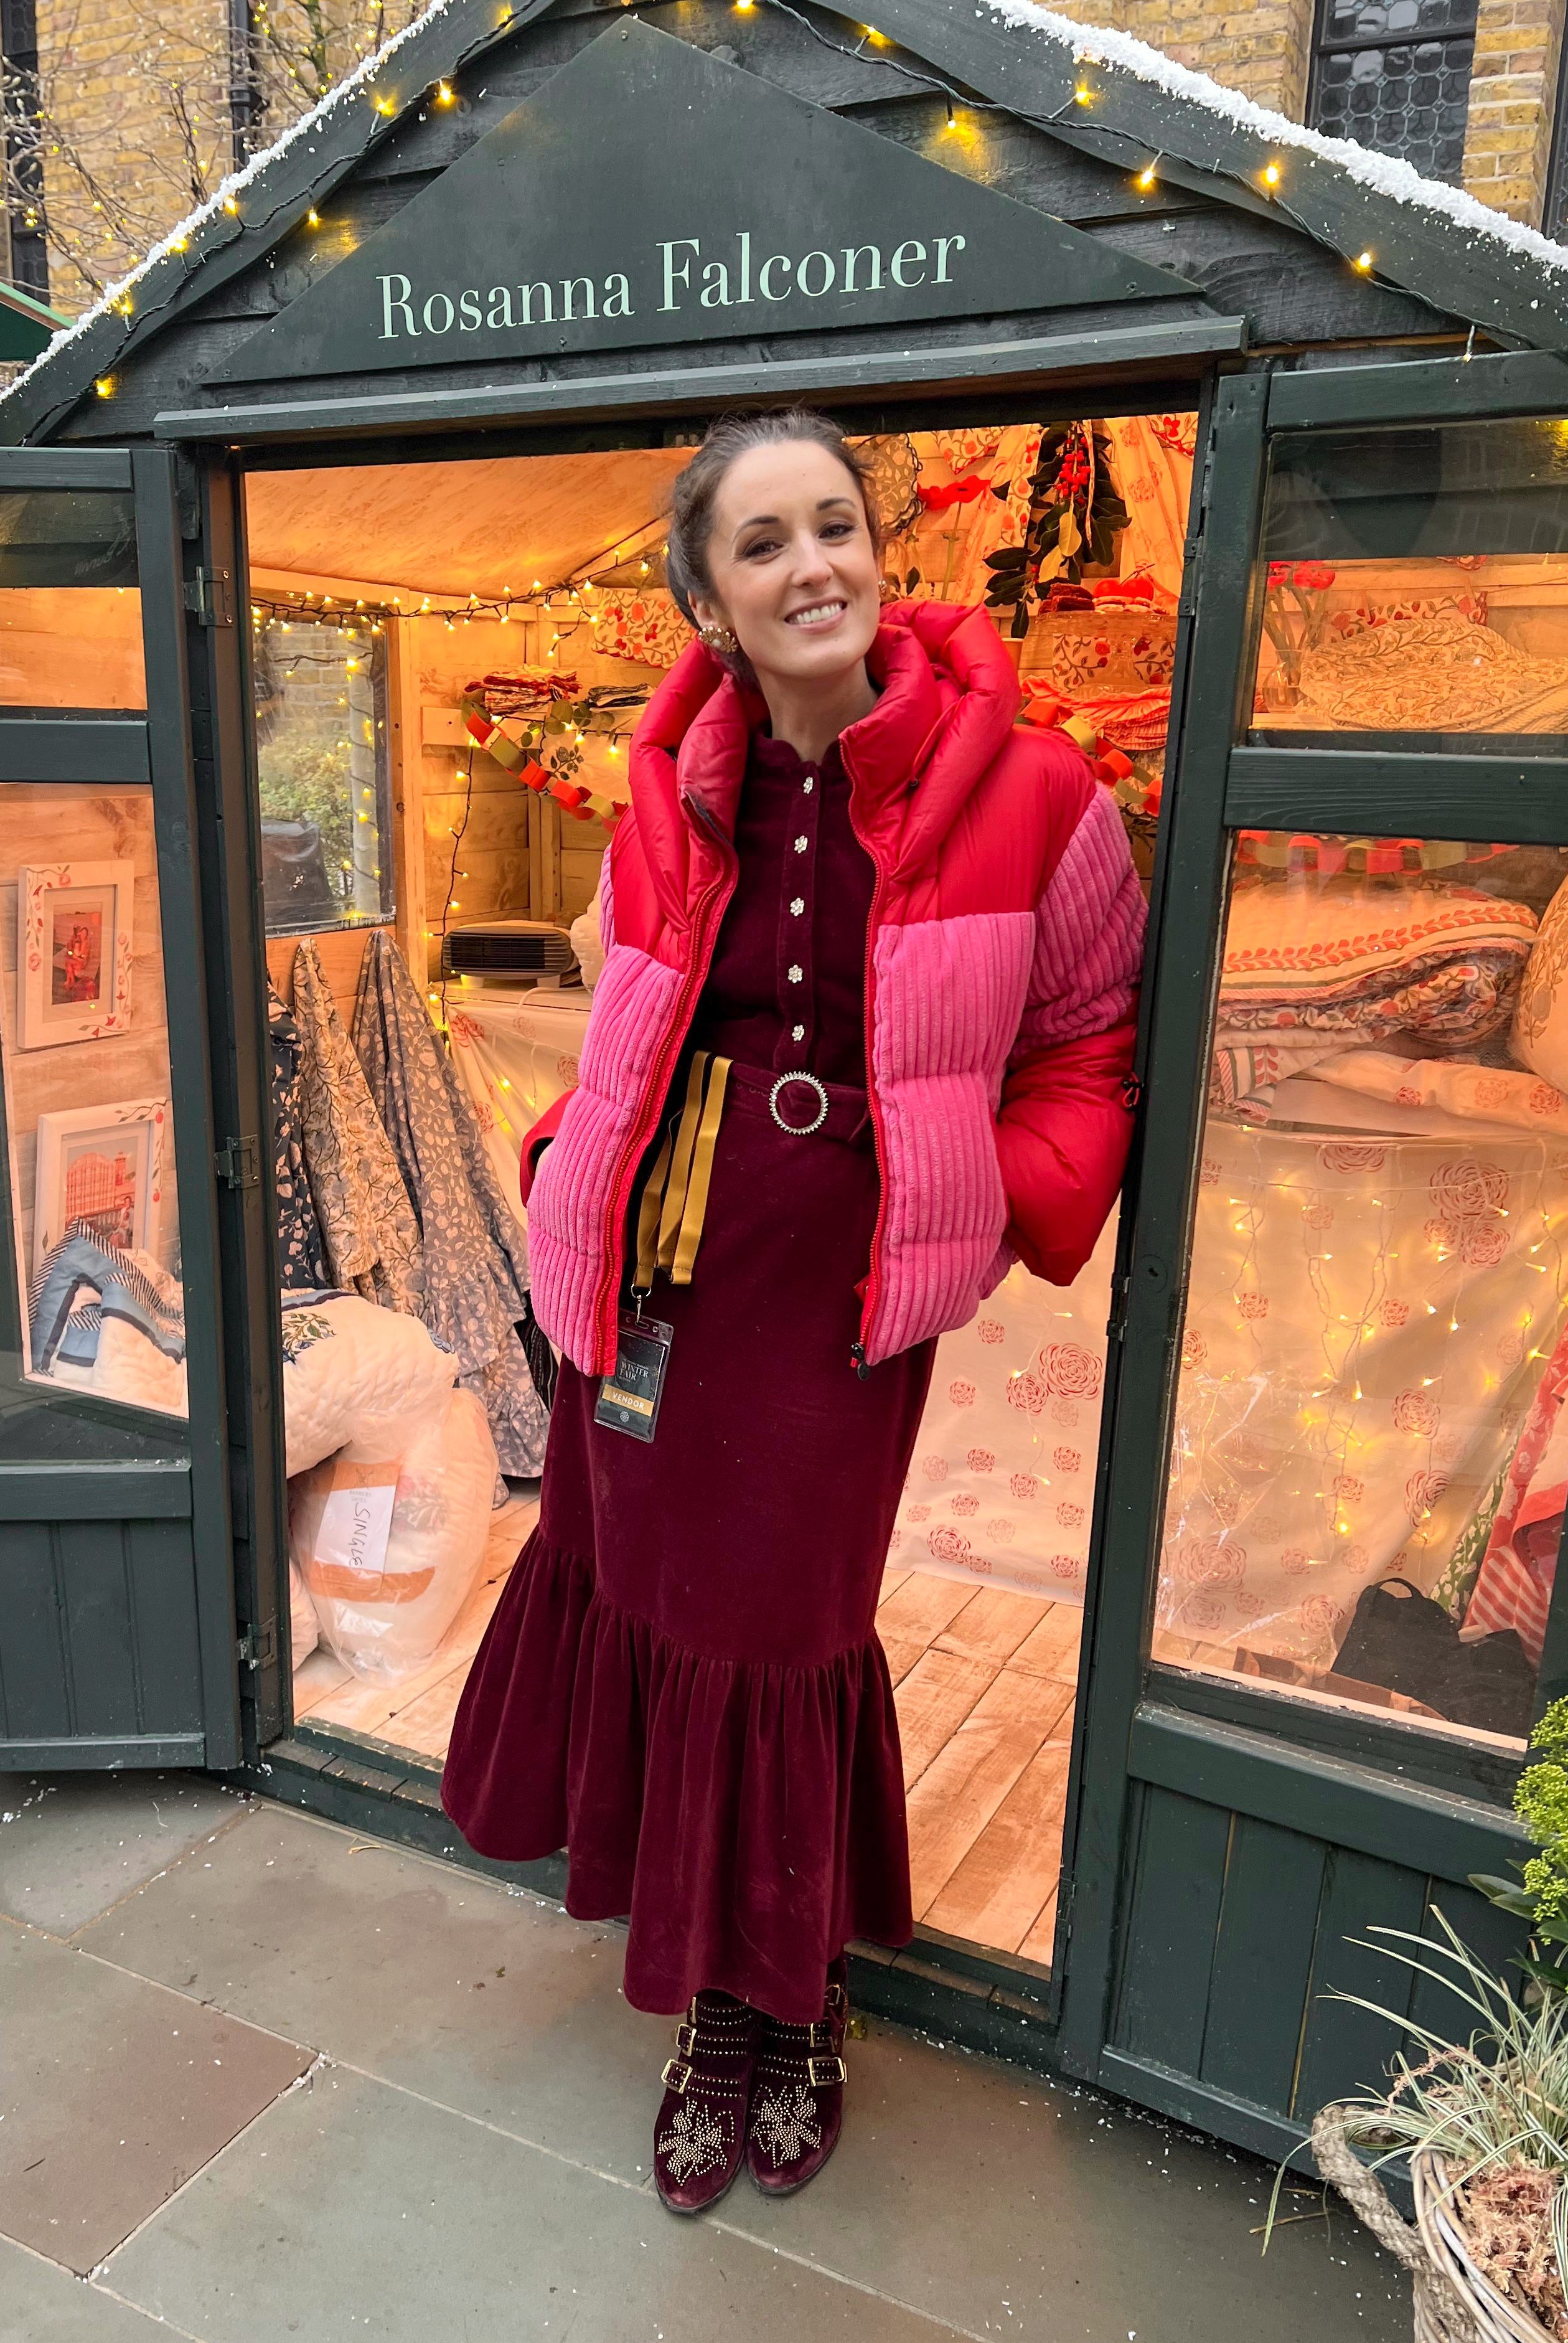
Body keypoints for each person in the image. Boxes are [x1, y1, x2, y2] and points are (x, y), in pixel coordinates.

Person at [441, 408, 1146, 2213]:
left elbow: (1090, 1034)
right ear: (710, 598)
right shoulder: (668, 779)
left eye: (835, 524)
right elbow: (630, 999)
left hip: (839, 1280)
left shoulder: (1034, 788)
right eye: (762, 543)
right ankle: (716, 2005)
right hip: (653, 1258)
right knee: (657, 1594)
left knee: (787, 1629)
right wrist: (565, 1158)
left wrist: (992, 1200)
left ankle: (794, 1992)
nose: (812, 564)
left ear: (880, 555)